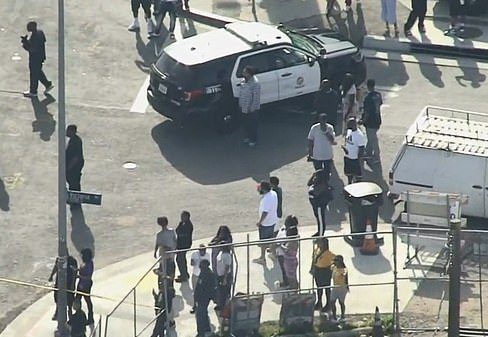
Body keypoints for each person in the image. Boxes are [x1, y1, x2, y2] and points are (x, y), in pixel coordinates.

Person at [21, 21, 54, 98]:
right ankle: (47, 84)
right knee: (38, 72)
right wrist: (27, 41)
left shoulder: (35, 36)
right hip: (41, 57)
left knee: (33, 74)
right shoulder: (39, 33)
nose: (27, 28)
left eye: (29, 27)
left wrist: (25, 44)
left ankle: (33, 91)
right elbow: (38, 43)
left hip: (35, 58)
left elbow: (32, 49)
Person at [254, 181, 278, 264]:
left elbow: (265, 212)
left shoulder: (266, 199)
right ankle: (273, 254)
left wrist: (260, 222)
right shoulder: (273, 193)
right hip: (273, 220)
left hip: (266, 223)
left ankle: (262, 258)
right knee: (272, 239)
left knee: (263, 242)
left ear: (263, 189)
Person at [307, 113, 336, 180]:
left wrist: (326, 132)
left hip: (327, 155)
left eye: (324, 120)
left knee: (327, 172)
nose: (322, 122)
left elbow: (332, 141)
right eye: (321, 120)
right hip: (317, 155)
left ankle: (326, 185)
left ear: (326, 120)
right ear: (319, 120)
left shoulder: (330, 128)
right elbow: (310, 140)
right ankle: (320, 185)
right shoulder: (314, 128)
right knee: (318, 172)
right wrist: (310, 152)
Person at [49, 254, 78, 320]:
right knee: (57, 298)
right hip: (59, 282)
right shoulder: (59, 259)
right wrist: (51, 276)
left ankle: (70, 318)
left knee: (69, 301)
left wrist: (73, 284)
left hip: (69, 284)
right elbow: (55, 267)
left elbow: (75, 273)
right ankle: (57, 312)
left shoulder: (72, 261)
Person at [361, 79, 383, 165]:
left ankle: (376, 157)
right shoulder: (378, 95)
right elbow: (379, 104)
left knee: (373, 139)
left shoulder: (368, 98)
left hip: (370, 122)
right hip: (377, 119)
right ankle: (368, 153)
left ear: (368, 86)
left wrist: (363, 120)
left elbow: (367, 112)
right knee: (371, 138)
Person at [311, 238, 336, 312]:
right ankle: (319, 302)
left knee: (327, 289)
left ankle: (328, 304)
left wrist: (332, 270)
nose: (318, 244)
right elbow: (314, 259)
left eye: (320, 243)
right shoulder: (317, 250)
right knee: (319, 288)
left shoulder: (329, 254)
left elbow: (336, 260)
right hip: (317, 271)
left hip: (325, 271)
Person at [238, 66, 261, 147]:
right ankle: (248, 136)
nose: (243, 73)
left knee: (252, 125)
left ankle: (253, 140)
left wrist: (252, 108)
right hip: (243, 106)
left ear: (249, 74)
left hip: (252, 109)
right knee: (246, 124)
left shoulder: (255, 83)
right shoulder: (243, 81)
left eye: (244, 72)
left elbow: (256, 98)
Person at [194, 259, 217, 337]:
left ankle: (201, 333)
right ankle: (207, 328)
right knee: (204, 313)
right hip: (202, 297)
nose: (200, 267)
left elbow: (209, 288)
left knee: (200, 315)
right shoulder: (203, 272)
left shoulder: (209, 274)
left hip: (203, 298)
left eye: (201, 265)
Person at [307, 169, 333, 236]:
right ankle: (319, 232)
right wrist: (313, 175)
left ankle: (320, 236)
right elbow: (308, 183)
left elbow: (314, 193)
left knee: (320, 221)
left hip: (319, 206)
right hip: (315, 206)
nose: (314, 178)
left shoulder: (322, 186)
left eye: (316, 177)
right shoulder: (317, 183)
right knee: (318, 219)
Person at [154, 216, 177, 286]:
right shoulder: (171, 231)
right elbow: (175, 241)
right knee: (170, 271)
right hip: (169, 255)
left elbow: (157, 244)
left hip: (164, 256)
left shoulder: (159, 234)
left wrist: (155, 252)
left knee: (164, 270)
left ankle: (163, 285)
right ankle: (169, 285)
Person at [342, 118, 366, 184]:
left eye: (349, 124)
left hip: (354, 159)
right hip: (347, 157)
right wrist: (345, 148)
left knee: (357, 176)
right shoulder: (349, 131)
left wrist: (358, 159)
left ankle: (357, 188)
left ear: (354, 125)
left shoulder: (359, 135)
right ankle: (349, 183)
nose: (347, 125)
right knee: (348, 173)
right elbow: (347, 141)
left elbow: (361, 148)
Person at [189, 244, 211, 314]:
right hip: (195, 275)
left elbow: (208, 264)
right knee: (195, 291)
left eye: (204, 250)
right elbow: (191, 263)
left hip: (203, 276)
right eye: (201, 250)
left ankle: (203, 306)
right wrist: (194, 262)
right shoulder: (194, 254)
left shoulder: (207, 255)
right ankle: (195, 305)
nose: (203, 252)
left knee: (203, 292)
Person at [75, 248, 94, 325]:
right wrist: (77, 270)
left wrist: (79, 276)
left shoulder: (89, 264)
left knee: (87, 300)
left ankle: (90, 318)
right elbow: (81, 269)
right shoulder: (84, 263)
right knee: (77, 299)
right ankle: (77, 315)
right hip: (81, 284)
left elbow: (88, 277)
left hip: (86, 285)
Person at [175, 211, 193, 283]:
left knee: (180, 259)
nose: (181, 217)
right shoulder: (181, 223)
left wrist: (179, 234)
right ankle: (184, 273)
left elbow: (183, 234)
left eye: (183, 216)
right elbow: (177, 230)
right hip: (180, 245)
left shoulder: (189, 225)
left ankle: (184, 276)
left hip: (184, 245)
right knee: (180, 259)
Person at [330, 255, 349, 322]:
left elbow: (344, 274)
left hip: (342, 288)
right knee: (332, 302)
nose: (335, 262)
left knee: (341, 302)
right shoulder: (334, 267)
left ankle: (342, 315)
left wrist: (341, 273)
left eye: (336, 260)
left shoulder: (344, 270)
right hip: (335, 287)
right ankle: (334, 317)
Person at [66, 125, 85, 192]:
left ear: (72, 132)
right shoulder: (72, 140)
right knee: (72, 182)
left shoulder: (76, 141)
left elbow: (76, 157)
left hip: (74, 166)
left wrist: (69, 167)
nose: (66, 132)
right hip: (72, 166)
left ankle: (75, 199)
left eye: (68, 130)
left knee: (74, 183)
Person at [282, 219, 299, 289]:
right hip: (288, 262)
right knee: (290, 276)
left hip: (291, 263)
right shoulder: (292, 241)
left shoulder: (292, 243)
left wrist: (281, 245)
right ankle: (293, 286)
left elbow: (286, 250)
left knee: (292, 277)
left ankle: (294, 288)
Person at [215, 243, 233, 311]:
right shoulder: (220, 253)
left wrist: (225, 279)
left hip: (225, 276)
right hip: (219, 275)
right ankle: (220, 305)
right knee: (220, 291)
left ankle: (224, 308)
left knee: (224, 293)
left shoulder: (227, 255)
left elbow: (227, 267)